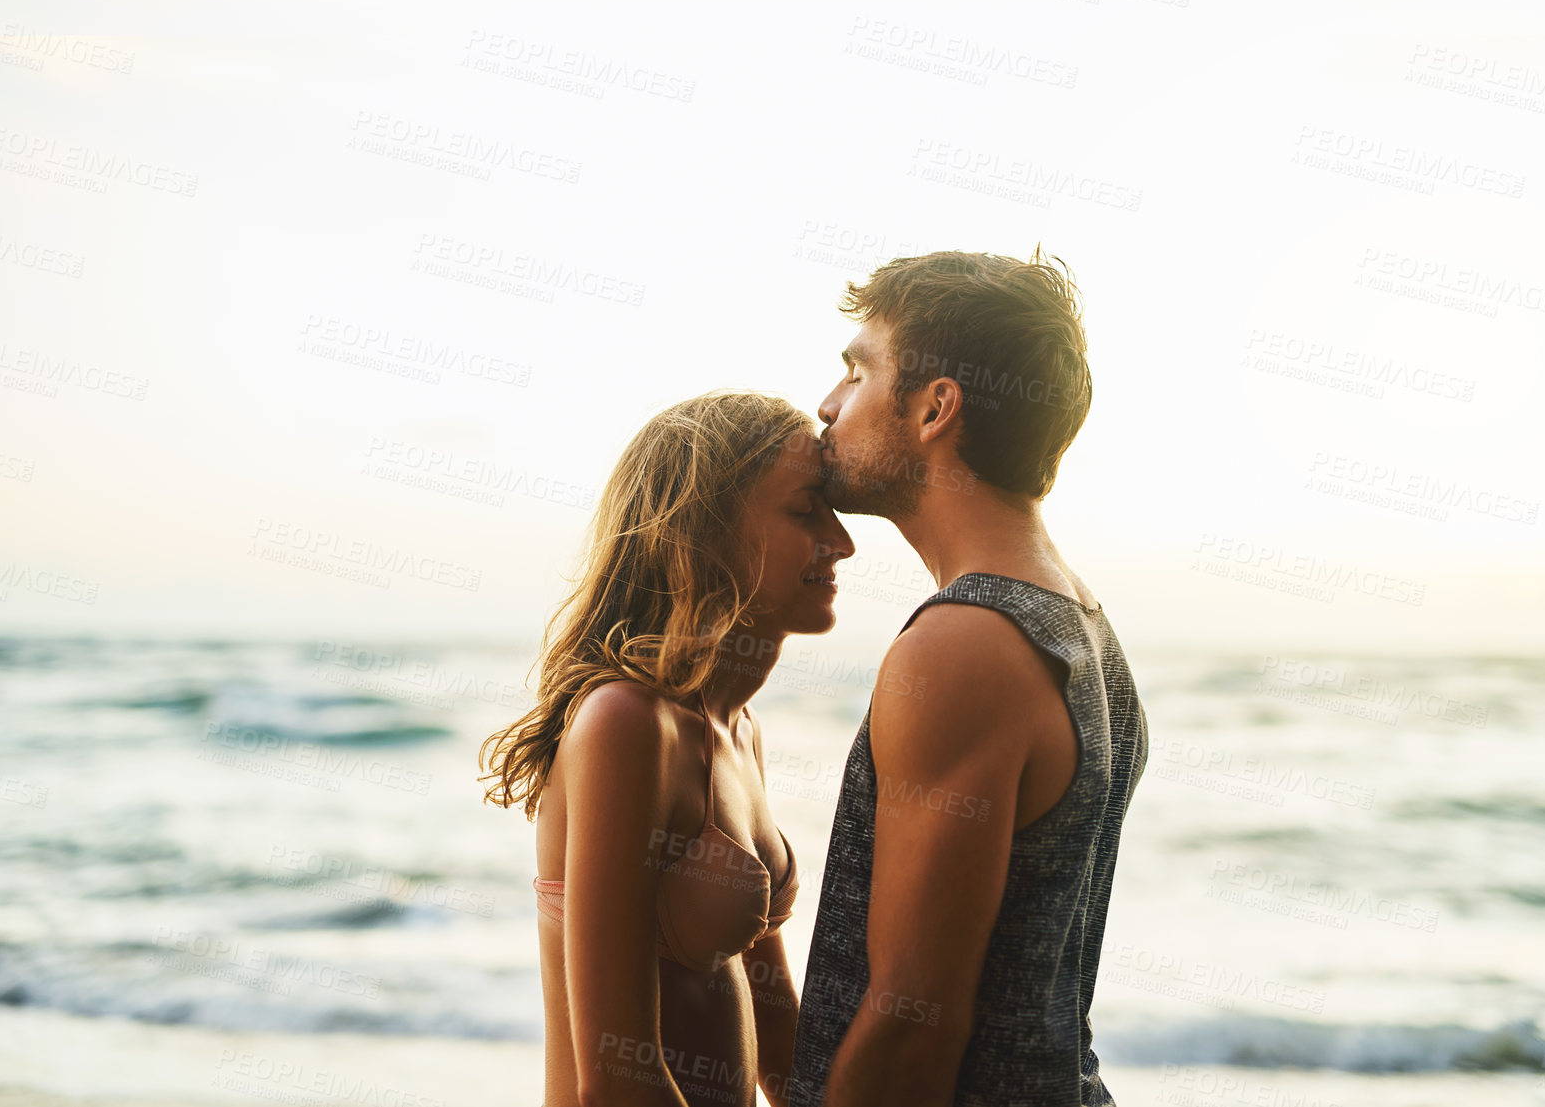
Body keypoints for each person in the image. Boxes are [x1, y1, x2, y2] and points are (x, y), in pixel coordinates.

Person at [790, 249, 1151, 1107]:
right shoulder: (1080, 622)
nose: (827, 404)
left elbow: (912, 1020)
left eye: (856, 370)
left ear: (934, 407)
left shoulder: (962, 644)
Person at [479, 391, 855, 1107]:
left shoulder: (738, 729)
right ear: (704, 534)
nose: (842, 541)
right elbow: (614, 1077)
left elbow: (781, 1044)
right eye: (806, 509)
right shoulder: (625, 722)